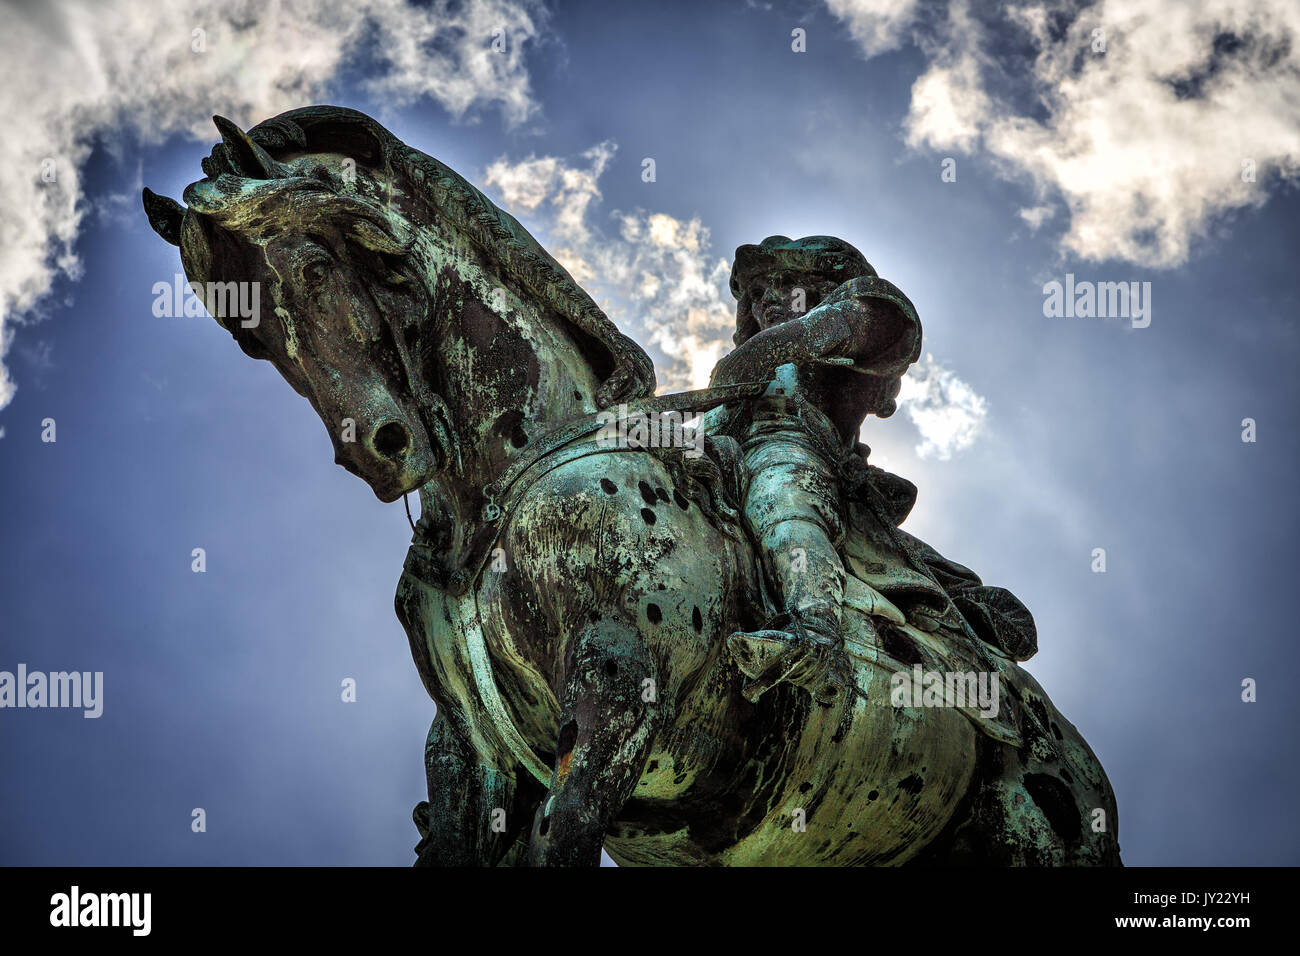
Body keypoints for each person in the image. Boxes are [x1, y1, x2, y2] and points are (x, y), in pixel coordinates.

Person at [708, 236, 921, 704]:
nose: (764, 301)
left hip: (795, 448)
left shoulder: (870, 309)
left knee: (781, 492)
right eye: (755, 294)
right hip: (718, 452)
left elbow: (821, 334)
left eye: (779, 286)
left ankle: (818, 635)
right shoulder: (751, 370)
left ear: (816, 285)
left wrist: (749, 360)